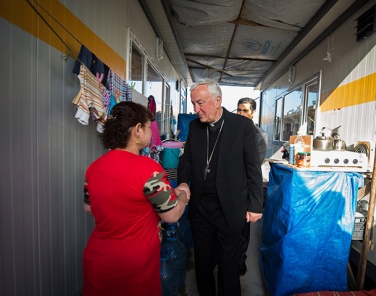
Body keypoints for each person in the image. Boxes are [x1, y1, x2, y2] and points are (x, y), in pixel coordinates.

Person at [82, 101, 189, 296]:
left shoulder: (93, 168)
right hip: (133, 266)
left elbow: (89, 207)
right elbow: (172, 215)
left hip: (97, 260)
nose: (151, 132)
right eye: (149, 127)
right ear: (138, 130)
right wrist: (182, 195)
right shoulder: (149, 170)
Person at [177, 79, 263, 296]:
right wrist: (184, 182)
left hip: (231, 206)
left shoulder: (242, 126)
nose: (196, 110)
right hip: (201, 207)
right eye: (193, 104)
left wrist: (255, 205)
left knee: (229, 263)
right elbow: (186, 159)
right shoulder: (195, 126)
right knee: (203, 261)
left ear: (217, 100)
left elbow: (252, 167)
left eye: (200, 103)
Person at [236, 97, 268, 276]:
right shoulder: (230, 130)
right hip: (229, 186)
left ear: (253, 113)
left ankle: (240, 261)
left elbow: (253, 166)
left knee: (243, 227)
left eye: (245, 111)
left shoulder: (260, 136)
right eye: (239, 110)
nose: (241, 114)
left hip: (246, 187)